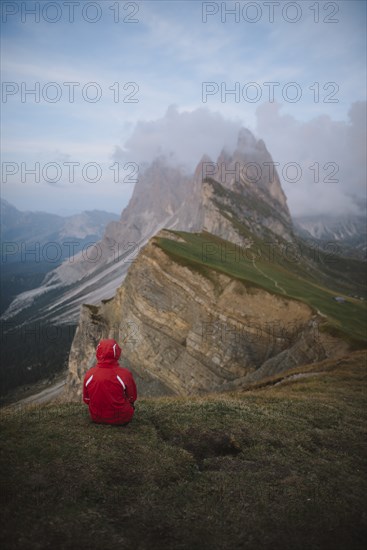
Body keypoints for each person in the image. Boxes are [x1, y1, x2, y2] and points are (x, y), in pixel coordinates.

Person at [83, 338, 137, 425]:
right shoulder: (125, 374)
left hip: (96, 417)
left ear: (98, 353)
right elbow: (132, 397)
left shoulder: (90, 374)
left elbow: (86, 399)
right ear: (117, 353)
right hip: (121, 418)